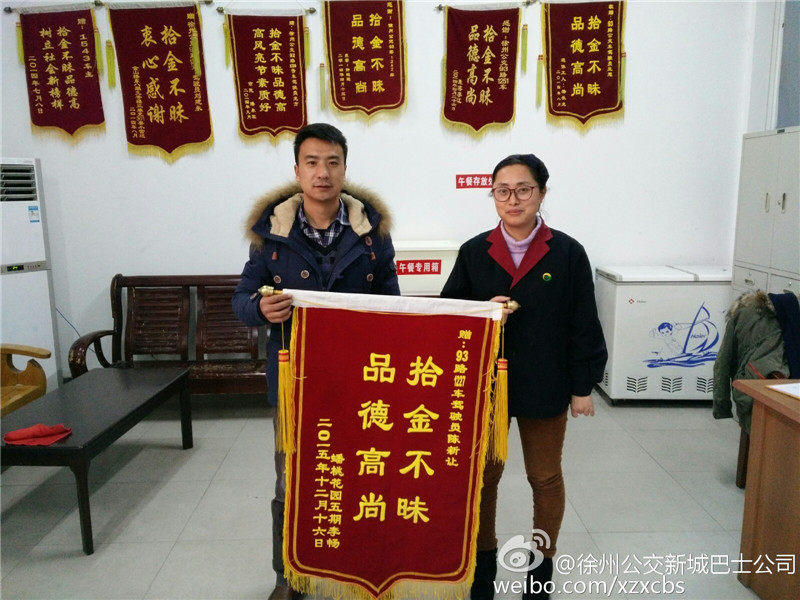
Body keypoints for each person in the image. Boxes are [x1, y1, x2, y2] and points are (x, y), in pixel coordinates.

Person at [232, 123, 400, 600]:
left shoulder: (372, 235)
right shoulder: (271, 235)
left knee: (361, 473)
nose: (322, 172)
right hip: (294, 380)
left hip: (359, 379)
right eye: (312, 162)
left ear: (345, 169)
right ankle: (288, 577)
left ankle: (355, 567)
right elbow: (242, 299)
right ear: (297, 170)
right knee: (291, 482)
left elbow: (393, 304)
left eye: (332, 162)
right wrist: (261, 309)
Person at [440, 154, 607, 600]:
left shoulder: (567, 252)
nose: (512, 200)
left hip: (546, 382)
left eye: (523, 189)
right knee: (483, 478)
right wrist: (482, 311)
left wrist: (582, 387)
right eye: (502, 190)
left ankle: (540, 571)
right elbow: (450, 313)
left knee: (545, 478)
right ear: (493, 195)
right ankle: (483, 570)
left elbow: (583, 322)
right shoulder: (474, 251)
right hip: (486, 387)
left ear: (542, 193)